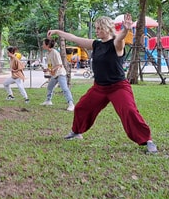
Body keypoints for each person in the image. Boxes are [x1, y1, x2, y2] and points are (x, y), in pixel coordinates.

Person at [47, 13, 158, 153]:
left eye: (100, 28)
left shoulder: (116, 43)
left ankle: (147, 140)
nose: (97, 30)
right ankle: (76, 132)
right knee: (81, 107)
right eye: (96, 28)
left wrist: (126, 29)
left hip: (118, 87)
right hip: (99, 88)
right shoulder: (96, 44)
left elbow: (120, 39)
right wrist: (57, 32)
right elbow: (75, 38)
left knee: (129, 111)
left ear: (107, 29)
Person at [41, 38, 75, 111]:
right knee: (50, 87)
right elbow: (51, 65)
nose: (42, 45)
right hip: (54, 74)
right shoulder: (48, 54)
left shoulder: (55, 52)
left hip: (60, 73)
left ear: (48, 45)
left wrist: (52, 70)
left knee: (64, 88)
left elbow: (59, 64)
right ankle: (48, 101)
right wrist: (47, 69)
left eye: (43, 44)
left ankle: (71, 104)